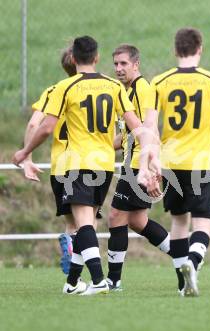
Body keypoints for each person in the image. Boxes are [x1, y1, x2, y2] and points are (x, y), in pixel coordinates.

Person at [13, 35, 149, 295]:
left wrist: (25, 152)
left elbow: (45, 127)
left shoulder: (64, 88)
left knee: (82, 224)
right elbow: (137, 127)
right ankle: (73, 283)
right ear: (97, 58)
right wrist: (148, 159)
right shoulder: (114, 86)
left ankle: (98, 281)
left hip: (74, 163)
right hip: (104, 165)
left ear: (74, 59)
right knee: (83, 224)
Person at [140, 27, 210, 297]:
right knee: (202, 222)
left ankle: (183, 283)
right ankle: (193, 263)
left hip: (170, 163)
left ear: (175, 50)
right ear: (199, 48)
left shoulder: (159, 82)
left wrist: (147, 164)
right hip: (200, 162)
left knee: (179, 222)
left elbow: (148, 127)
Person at [20, 45, 99, 275]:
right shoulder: (98, 89)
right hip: (89, 162)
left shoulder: (54, 90)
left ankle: (71, 252)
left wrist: (28, 157)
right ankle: (87, 271)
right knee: (89, 222)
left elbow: (34, 123)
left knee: (72, 221)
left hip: (61, 166)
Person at [106, 44, 171, 291]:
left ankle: (113, 281)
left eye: (123, 63)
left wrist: (153, 169)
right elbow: (124, 137)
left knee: (115, 216)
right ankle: (182, 257)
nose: (119, 68)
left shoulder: (142, 89)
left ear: (136, 65)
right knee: (137, 220)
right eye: (115, 64)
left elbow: (150, 130)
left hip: (138, 166)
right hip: (132, 163)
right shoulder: (125, 92)